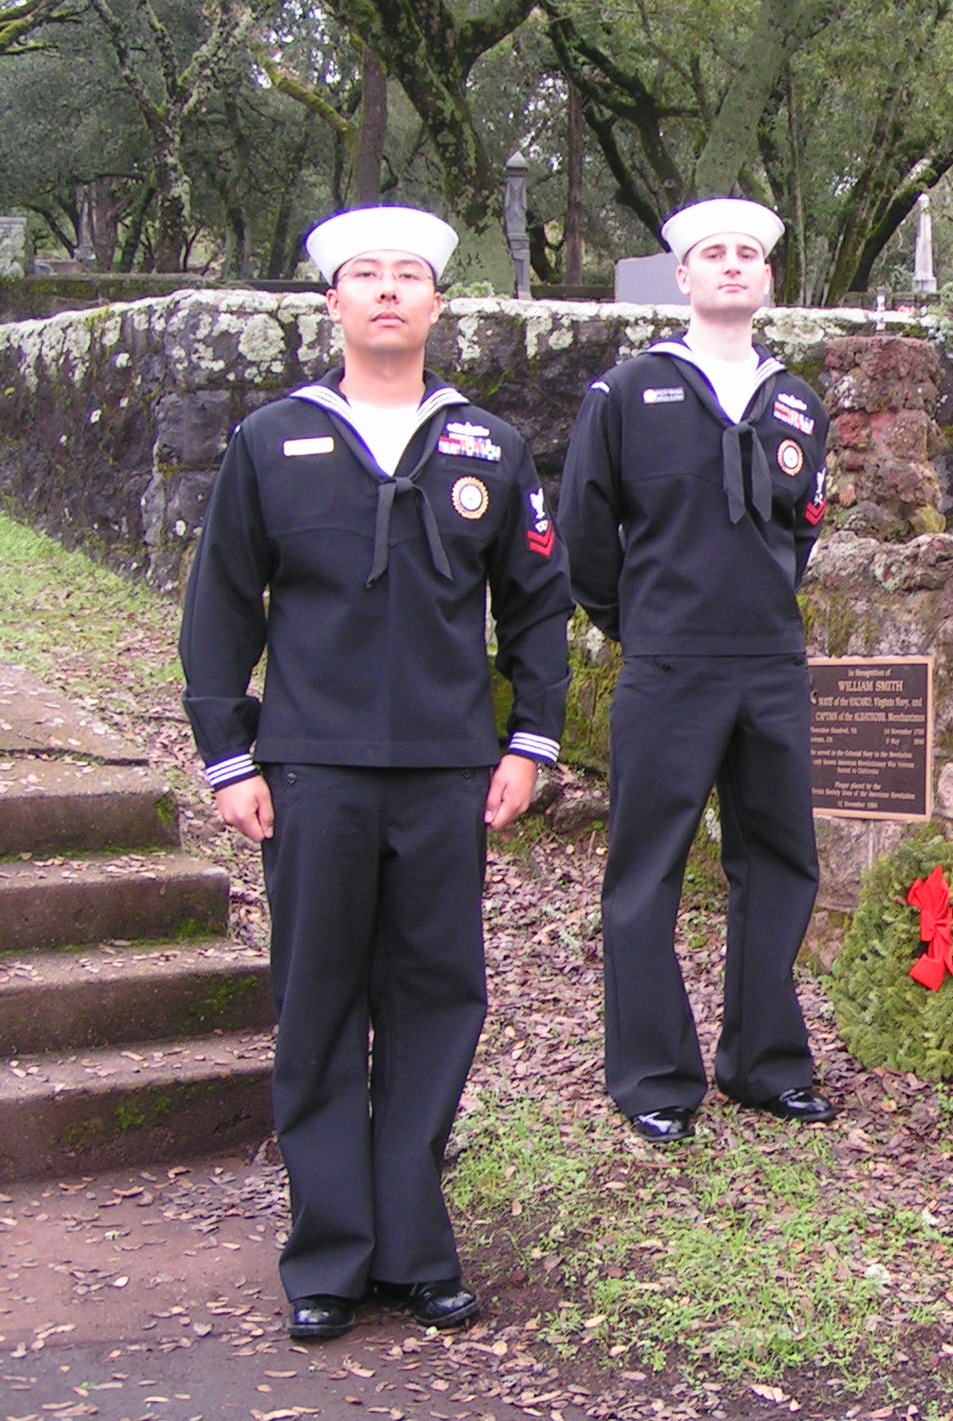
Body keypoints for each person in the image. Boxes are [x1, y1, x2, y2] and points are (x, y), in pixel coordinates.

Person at [179, 205, 572, 1341]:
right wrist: (229, 756)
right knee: (317, 1006)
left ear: (438, 305)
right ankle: (328, 1257)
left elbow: (535, 608)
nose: (389, 290)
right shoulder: (271, 441)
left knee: (436, 1003)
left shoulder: (487, 446)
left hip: (448, 772)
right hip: (313, 771)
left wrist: (529, 742)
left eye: (409, 275)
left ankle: (413, 1246)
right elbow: (220, 610)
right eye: (366, 275)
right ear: (333, 303)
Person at [559, 197, 834, 1144]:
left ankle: (765, 1063)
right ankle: (653, 1075)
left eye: (748, 253)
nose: (731, 265)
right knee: (648, 870)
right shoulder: (627, 392)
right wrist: (642, 624)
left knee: (780, 862)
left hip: (769, 665)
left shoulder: (798, 403)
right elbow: (585, 534)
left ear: (766, 278)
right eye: (713, 253)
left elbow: (800, 534)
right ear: (682, 276)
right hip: (669, 666)